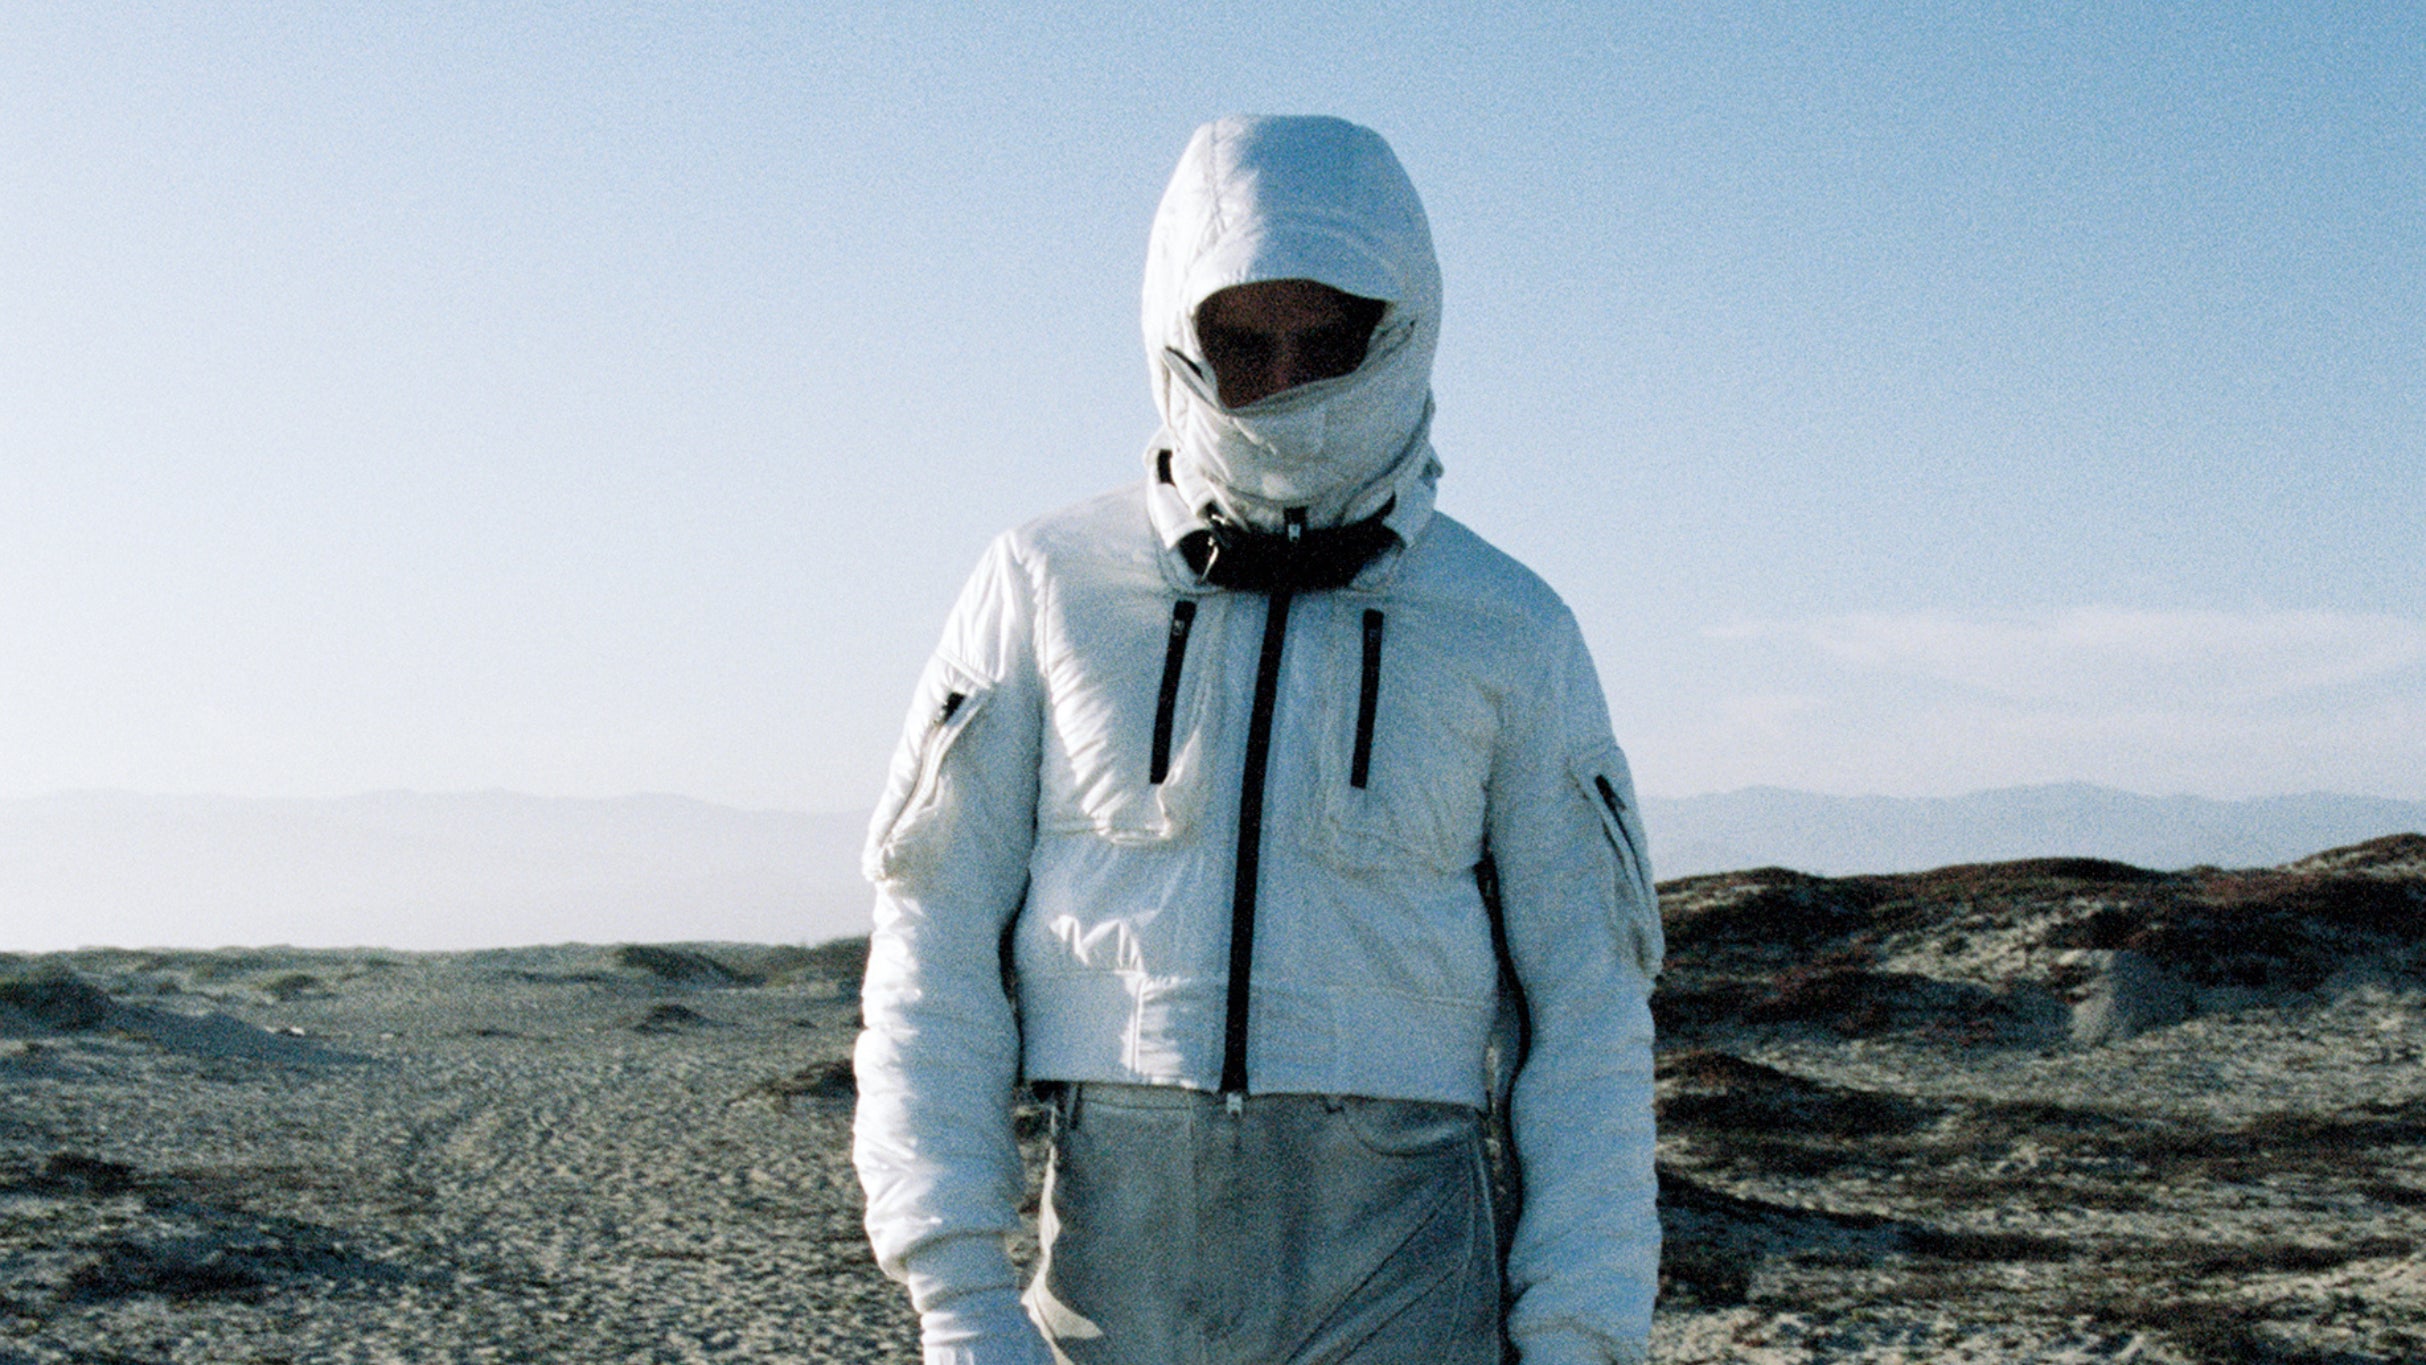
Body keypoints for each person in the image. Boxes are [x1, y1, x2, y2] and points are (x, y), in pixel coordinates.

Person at [852, 114, 1662, 1365]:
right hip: (1112, 1292)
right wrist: (959, 1299)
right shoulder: (1045, 584)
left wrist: (1577, 1337)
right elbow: (932, 944)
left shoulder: (1509, 629)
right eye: (1242, 342)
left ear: (1396, 328)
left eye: (1325, 338)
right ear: (1179, 336)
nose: (1286, 382)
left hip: (1406, 1285)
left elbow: (1589, 1020)